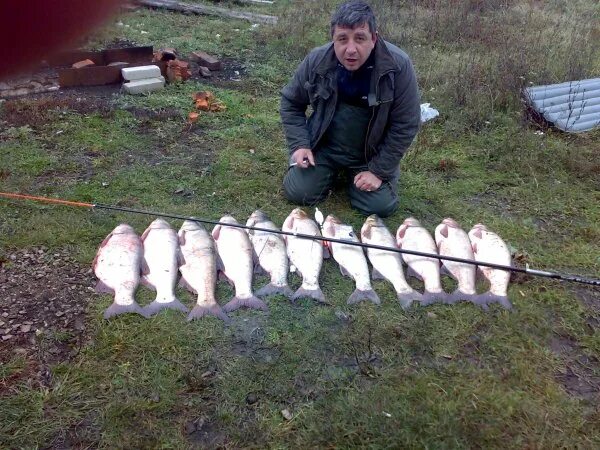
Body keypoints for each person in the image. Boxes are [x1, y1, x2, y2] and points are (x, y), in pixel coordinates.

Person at [280, 1, 420, 217]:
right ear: (333, 39)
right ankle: (327, 173)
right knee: (298, 193)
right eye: (342, 39)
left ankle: (362, 176)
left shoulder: (398, 66)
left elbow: (406, 124)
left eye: (360, 38)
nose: (351, 49)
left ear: (374, 38)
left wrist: (378, 171)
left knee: (380, 207)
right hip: (325, 147)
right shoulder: (317, 60)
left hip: (370, 155)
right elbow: (291, 102)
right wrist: (300, 145)